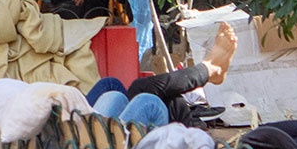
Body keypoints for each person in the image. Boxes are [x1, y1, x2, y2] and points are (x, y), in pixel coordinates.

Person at [86, 23, 237, 127]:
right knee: (146, 96)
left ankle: (208, 70)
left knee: (111, 86)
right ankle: (209, 69)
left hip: (75, 129)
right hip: (94, 146)